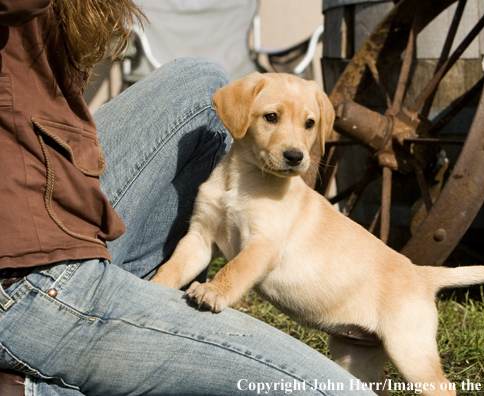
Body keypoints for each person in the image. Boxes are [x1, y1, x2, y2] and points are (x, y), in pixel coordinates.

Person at [0, 1, 376, 395]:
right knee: (341, 390)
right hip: (30, 274)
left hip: (51, 195)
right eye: (271, 119)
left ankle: (136, 323)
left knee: (199, 79)